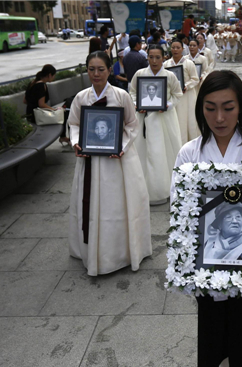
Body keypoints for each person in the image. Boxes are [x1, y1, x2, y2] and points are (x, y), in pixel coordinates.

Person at [171, 70, 242, 367]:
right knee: (219, 319)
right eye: (210, 107)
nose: (219, 117)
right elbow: (179, 208)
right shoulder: (189, 153)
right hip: (210, 258)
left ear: (241, 106)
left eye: (228, 107)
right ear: (200, 108)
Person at [68, 51, 152, 276]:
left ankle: (120, 252)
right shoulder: (81, 97)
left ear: (109, 71)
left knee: (117, 205)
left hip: (117, 163)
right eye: (91, 69)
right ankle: (90, 250)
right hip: (90, 161)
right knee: (92, 203)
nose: (96, 74)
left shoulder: (121, 96)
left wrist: (121, 147)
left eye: (101, 69)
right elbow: (74, 124)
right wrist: (77, 143)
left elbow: (132, 125)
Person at [129, 44, 183, 205]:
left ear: (163, 58)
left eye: (157, 57)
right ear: (147, 58)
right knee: (144, 152)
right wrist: (137, 103)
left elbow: (178, 94)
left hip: (163, 120)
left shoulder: (169, 76)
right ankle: (143, 189)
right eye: (151, 57)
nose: (154, 60)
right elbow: (132, 91)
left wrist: (168, 105)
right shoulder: (140, 74)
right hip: (144, 118)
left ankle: (164, 189)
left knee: (162, 152)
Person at [164, 39, 200, 144]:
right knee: (176, 120)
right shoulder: (166, 64)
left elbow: (195, 79)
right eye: (173, 47)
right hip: (173, 96)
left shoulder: (188, 63)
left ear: (183, 49)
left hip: (187, 96)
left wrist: (186, 86)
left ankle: (190, 143)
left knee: (188, 120)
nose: (175, 50)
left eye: (178, 48)